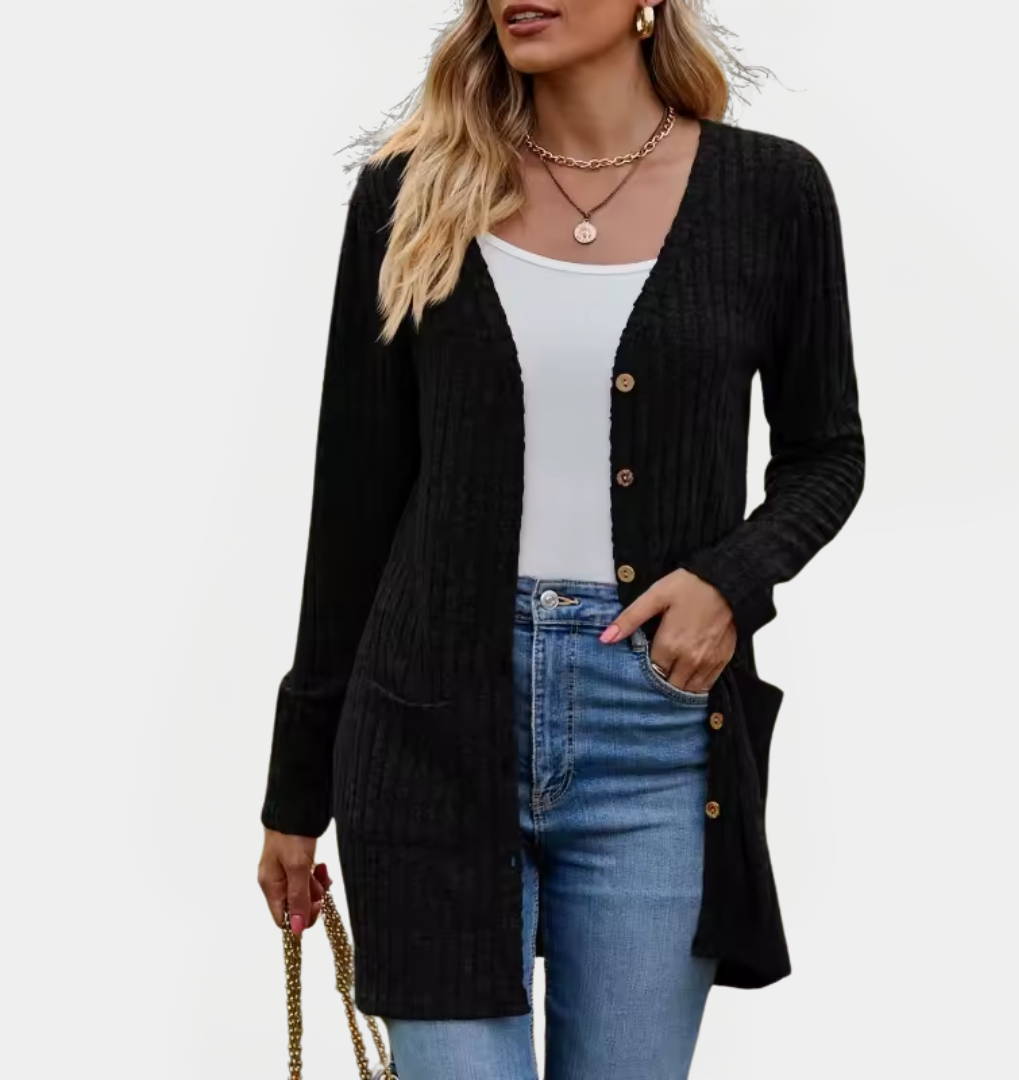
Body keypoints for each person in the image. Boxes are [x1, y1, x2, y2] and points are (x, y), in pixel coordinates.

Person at [256, 1, 865, 1077]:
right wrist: (295, 794)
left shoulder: (772, 192)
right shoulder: (408, 193)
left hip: (656, 738)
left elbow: (827, 455)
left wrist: (729, 580)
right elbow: (352, 506)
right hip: (428, 729)